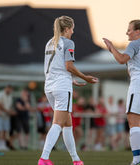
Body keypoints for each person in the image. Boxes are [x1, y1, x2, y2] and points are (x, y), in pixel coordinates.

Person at [38, 16, 98, 165]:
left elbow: (54, 67)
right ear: (66, 29)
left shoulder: (49, 42)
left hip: (50, 86)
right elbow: (68, 66)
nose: (73, 31)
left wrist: (71, 79)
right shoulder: (68, 42)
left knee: (67, 124)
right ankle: (44, 158)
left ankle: (76, 160)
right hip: (61, 87)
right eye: (72, 28)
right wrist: (85, 77)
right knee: (57, 123)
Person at [103, 19, 140, 165]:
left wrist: (111, 48)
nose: (127, 32)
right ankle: (139, 158)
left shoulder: (135, 43)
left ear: (137, 32)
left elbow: (122, 59)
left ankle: (136, 160)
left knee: (133, 124)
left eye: (129, 29)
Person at [0, 84, 14, 151]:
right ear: (6, 88)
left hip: (6, 115)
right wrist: (6, 111)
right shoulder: (0, 95)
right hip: (0, 114)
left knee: (5, 130)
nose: (10, 91)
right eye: (9, 89)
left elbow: (9, 106)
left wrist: (10, 111)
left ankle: (3, 145)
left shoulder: (10, 96)